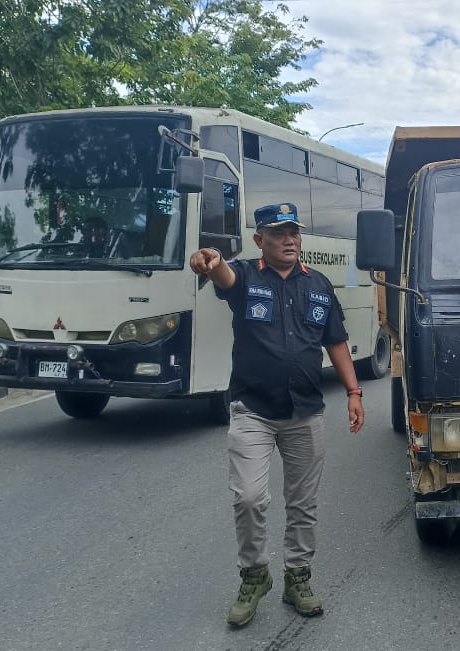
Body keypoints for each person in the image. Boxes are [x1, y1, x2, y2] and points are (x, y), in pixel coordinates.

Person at [188, 202, 365, 627]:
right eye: (279, 233)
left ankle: (297, 579)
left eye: (294, 232)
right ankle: (254, 575)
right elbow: (222, 275)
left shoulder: (319, 285)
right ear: (259, 241)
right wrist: (208, 262)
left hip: (306, 412)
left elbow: (336, 342)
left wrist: (354, 392)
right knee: (249, 497)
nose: (289, 240)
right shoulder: (246, 277)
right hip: (253, 411)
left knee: (302, 504)